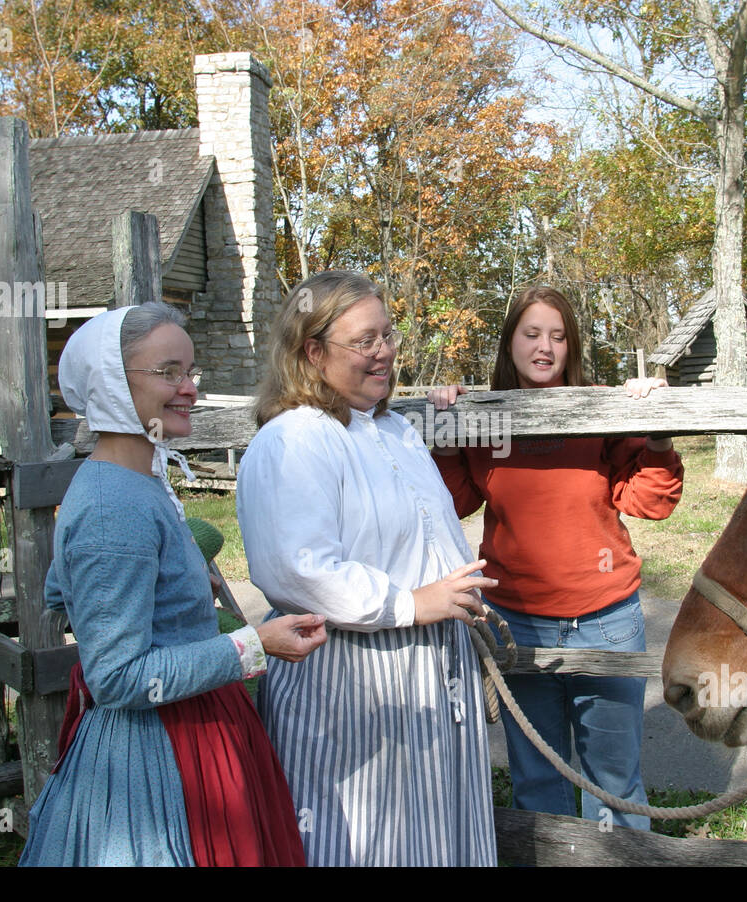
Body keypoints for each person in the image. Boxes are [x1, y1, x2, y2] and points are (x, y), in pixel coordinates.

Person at [19, 302, 327, 867]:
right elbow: (115, 677)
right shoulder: (113, 502)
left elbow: (65, 592)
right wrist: (255, 645)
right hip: (155, 757)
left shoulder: (136, 480)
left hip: (197, 726)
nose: (189, 389)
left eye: (191, 372)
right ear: (113, 382)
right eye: (168, 372)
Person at [236, 271, 499, 866]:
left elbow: (431, 533)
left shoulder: (394, 429)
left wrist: (456, 593)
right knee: (358, 834)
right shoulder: (293, 441)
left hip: (428, 666)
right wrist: (409, 604)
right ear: (312, 351)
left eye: (387, 335)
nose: (383, 352)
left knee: (434, 828)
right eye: (364, 340)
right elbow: (297, 569)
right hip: (348, 675)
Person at [427, 286, 683, 830]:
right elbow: (453, 503)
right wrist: (447, 430)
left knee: (614, 784)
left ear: (571, 346)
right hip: (517, 623)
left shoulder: (601, 408)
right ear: (510, 341)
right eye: (532, 333)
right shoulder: (486, 415)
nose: (545, 347)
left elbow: (649, 501)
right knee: (538, 783)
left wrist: (655, 423)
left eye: (558, 336)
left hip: (606, 618)